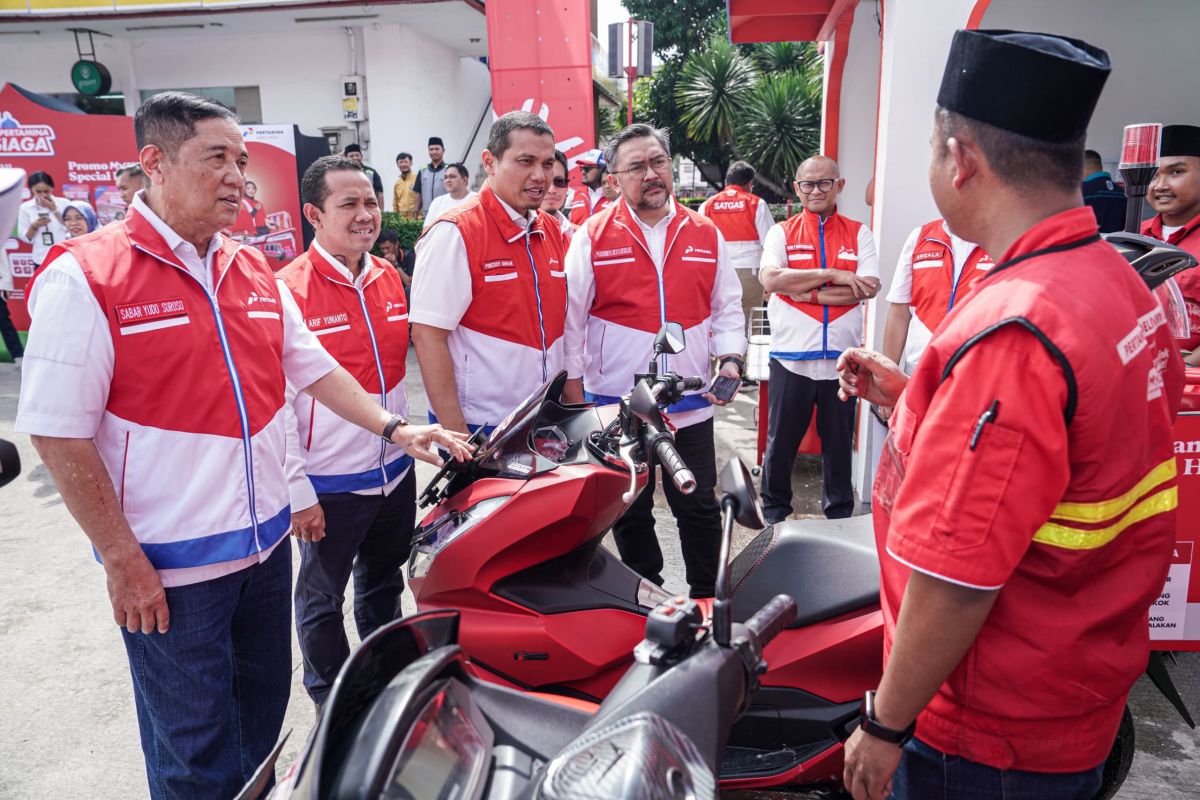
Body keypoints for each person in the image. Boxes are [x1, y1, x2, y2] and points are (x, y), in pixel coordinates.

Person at [12, 91, 470, 800]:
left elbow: (311, 366)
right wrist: (122, 558)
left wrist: (394, 428)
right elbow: (55, 428)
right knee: (196, 757)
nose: (236, 176)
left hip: (261, 557)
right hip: (172, 573)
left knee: (258, 736)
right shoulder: (86, 275)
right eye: (215, 159)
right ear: (154, 164)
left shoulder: (250, 267)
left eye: (242, 161)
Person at [838, 31, 1182, 800]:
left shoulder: (1016, 329)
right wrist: (915, 401)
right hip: (1070, 687)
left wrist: (886, 725)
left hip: (984, 733)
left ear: (959, 158)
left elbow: (956, 578)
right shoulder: (1112, 280)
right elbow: (1064, 453)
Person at [562, 123, 746, 599]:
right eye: (636, 167)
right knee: (630, 508)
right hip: (619, 404)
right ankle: (649, 597)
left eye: (658, 162)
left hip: (691, 401)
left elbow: (726, 306)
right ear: (614, 179)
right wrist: (577, 391)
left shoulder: (705, 231)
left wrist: (730, 360)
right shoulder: (592, 235)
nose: (651, 174)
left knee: (699, 505)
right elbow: (572, 320)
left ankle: (707, 598)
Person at [277, 156, 419, 708]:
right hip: (330, 482)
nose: (367, 215)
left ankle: (385, 689)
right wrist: (297, 490)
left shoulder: (387, 277)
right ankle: (331, 704)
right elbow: (278, 404)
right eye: (349, 204)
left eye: (371, 202)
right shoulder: (288, 289)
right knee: (320, 599)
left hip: (395, 471)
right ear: (314, 213)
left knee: (383, 585)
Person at [410, 112, 567, 435]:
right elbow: (427, 337)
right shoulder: (454, 232)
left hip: (543, 420)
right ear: (490, 162)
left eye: (548, 164)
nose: (540, 176)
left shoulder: (549, 228)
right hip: (480, 427)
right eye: (525, 161)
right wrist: (459, 438)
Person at [758, 155, 879, 523]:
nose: (815, 191)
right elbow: (771, 280)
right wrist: (833, 274)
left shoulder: (859, 233)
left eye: (824, 183)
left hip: (842, 361)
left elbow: (868, 287)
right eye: (807, 184)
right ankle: (774, 514)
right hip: (791, 358)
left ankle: (840, 516)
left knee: (839, 447)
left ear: (839, 186)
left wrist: (802, 291)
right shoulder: (782, 231)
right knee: (780, 446)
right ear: (796, 188)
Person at [880, 218, 990, 383]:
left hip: (974, 378)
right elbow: (899, 313)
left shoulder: (1000, 239)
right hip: (917, 375)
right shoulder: (921, 237)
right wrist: (887, 379)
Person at [700, 160, 775, 354]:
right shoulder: (756, 203)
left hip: (716, 273)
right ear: (750, 183)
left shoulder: (708, 205)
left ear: (726, 181)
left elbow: (699, 241)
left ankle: (715, 368)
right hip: (750, 273)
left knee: (716, 319)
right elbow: (769, 244)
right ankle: (744, 370)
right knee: (750, 322)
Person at [1142, 124, 1200, 361]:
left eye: (1176, 172)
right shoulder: (1132, 235)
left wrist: (1181, 367)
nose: (1160, 185)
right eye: (1154, 174)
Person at [17, 171, 70, 269]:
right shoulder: (25, 207)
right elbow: (25, 237)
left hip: (64, 257)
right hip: (40, 258)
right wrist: (34, 226)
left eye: (46, 191)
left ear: (52, 188)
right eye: (38, 191)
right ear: (31, 190)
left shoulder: (64, 203)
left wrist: (55, 210)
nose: (43, 195)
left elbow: (71, 230)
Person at [1081, 148, 1126, 233]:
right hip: (1119, 245)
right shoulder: (1122, 192)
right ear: (1100, 166)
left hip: (1090, 244)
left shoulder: (1081, 192)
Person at [421, 163, 477, 229]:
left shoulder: (477, 200)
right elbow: (426, 230)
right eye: (445, 177)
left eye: (452, 177)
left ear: (464, 180)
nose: (448, 180)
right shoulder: (437, 202)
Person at [569, 148, 612, 226]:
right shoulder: (573, 196)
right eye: (582, 168)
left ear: (602, 170)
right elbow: (564, 226)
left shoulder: (615, 196)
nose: (583, 172)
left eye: (587, 168)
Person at [541, 149, 574, 242]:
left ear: (567, 187)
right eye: (544, 181)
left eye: (559, 181)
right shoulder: (518, 232)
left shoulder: (575, 234)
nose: (551, 190)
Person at [343, 143, 385, 208]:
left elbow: (379, 193)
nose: (355, 158)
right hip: (350, 208)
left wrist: (381, 211)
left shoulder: (371, 172)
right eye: (351, 156)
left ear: (361, 156)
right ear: (346, 158)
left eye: (357, 155)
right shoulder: (342, 174)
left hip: (368, 208)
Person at [414, 136, 448, 217]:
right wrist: (415, 211)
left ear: (443, 151)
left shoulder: (449, 169)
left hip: (444, 214)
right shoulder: (423, 170)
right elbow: (418, 193)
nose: (434, 152)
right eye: (431, 149)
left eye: (437, 149)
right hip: (426, 215)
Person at [377, 228, 413, 295]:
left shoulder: (408, 256)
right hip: (389, 293)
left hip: (405, 293)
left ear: (396, 244)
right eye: (382, 249)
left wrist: (395, 263)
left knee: (408, 290)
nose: (385, 251)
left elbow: (409, 283)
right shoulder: (380, 258)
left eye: (388, 248)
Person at [392, 151, 419, 217]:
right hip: (401, 220)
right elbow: (395, 204)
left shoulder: (417, 179)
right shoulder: (397, 183)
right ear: (397, 164)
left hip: (416, 219)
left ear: (411, 163)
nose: (403, 164)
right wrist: (396, 217)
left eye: (405, 162)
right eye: (400, 162)